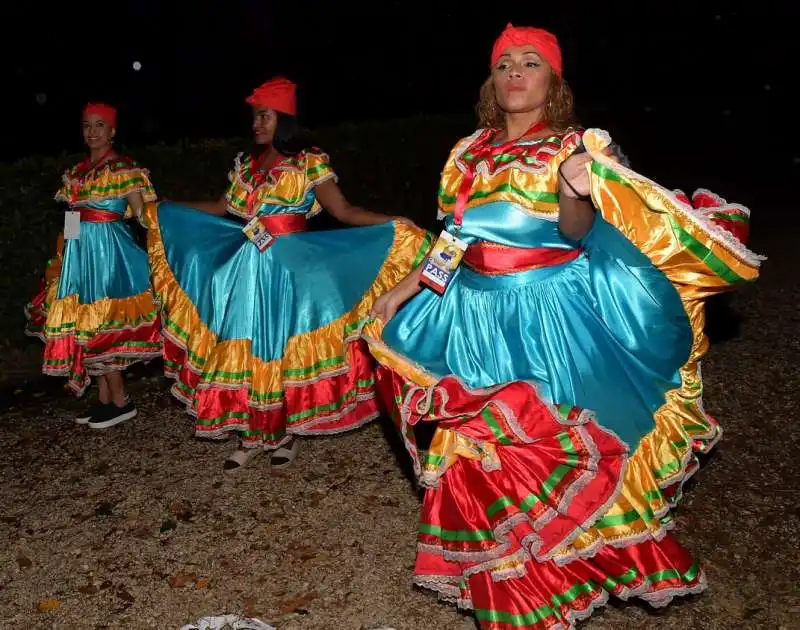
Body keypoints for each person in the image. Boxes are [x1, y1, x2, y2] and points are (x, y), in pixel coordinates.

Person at [364, 24, 762, 628]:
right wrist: (404, 287)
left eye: (530, 64)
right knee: (475, 451)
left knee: (542, 448)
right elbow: (455, 236)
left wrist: (580, 186)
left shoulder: (575, 147)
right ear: (490, 81)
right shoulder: (467, 150)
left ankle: (547, 583)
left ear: (554, 81)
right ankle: (508, 595)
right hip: (471, 314)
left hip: (548, 318)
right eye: (504, 65)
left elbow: (576, 231)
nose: (515, 74)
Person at [140, 77, 432, 470]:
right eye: (255, 117)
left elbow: (343, 211)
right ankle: (250, 432)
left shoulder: (309, 162)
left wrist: (394, 221)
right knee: (245, 345)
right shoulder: (246, 166)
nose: (256, 124)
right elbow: (220, 207)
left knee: (283, 346)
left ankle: (287, 432)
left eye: (264, 116)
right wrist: (171, 206)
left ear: (285, 118)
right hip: (246, 268)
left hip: (293, 270)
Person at [24, 103, 161, 428]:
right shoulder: (76, 174)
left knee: (100, 325)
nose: (92, 132)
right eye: (87, 126)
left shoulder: (125, 170)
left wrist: (170, 228)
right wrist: (63, 254)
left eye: (100, 126)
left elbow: (144, 215)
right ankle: (104, 400)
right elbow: (72, 217)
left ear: (112, 131)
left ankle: (121, 400)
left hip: (111, 255)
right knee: (86, 323)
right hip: (80, 255)